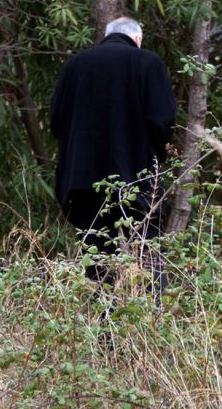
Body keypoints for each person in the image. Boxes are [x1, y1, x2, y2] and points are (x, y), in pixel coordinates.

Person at [49, 17, 176, 292]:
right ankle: (151, 325)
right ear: (137, 39)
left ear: (106, 36)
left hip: (84, 182)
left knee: (97, 258)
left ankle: (104, 331)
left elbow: (56, 122)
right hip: (137, 177)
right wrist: (150, 155)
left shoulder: (74, 66)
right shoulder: (148, 63)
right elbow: (163, 121)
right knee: (148, 251)